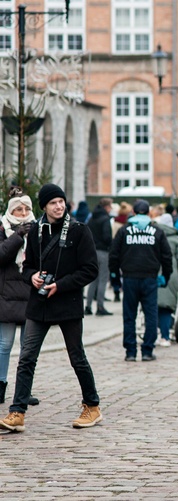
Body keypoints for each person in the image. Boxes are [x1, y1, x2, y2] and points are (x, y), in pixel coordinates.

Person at [0, 184, 102, 432]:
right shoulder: (35, 231)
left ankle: (92, 406)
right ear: (44, 206)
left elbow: (90, 269)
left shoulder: (79, 230)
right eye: (53, 203)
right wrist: (32, 277)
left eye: (61, 201)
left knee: (77, 357)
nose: (59, 206)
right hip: (39, 303)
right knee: (26, 358)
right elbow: (28, 266)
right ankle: (17, 412)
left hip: (67, 303)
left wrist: (61, 285)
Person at [110, 199, 172, 362]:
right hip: (150, 278)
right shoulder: (157, 231)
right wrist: (166, 275)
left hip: (129, 277)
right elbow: (166, 256)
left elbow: (114, 255)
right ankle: (147, 350)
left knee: (129, 315)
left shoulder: (124, 231)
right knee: (151, 314)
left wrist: (115, 277)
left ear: (134, 213)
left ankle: (130, 351)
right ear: (149, 213)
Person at [0, 189, 38, 405]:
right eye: (18, 209)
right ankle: (1, 385)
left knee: (28, 346)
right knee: (4, 344)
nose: (23, 213)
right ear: (10, 210)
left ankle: (24, 390)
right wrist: (18, 235)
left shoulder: (39, 229)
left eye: (26, 209)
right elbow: (2, 255)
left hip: (30, 292)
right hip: (6, 295)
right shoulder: (2, 228)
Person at [154, 214, 178, 347]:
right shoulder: (177, 239)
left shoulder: (153, 236)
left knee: (153, 305)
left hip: (153, 273)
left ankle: (154, 334)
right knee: (167, 306)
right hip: (171, 275)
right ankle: (165, 335)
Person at [85, 198, 114, 316]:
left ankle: (88, 305)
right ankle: (100, 306)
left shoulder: (92, 218)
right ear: (106, 207)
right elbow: (107, 237)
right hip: (103, 251)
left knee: (93, 280)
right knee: (102, 279)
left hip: (92, 251)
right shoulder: (105, 219)